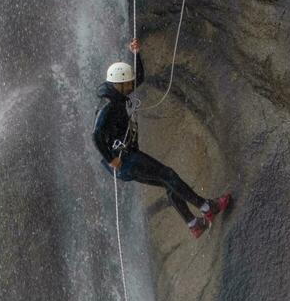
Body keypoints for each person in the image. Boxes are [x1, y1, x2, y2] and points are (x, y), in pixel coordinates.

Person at [93, 38, 231, 238]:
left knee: (168, 182)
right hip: (124, 160)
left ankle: (194, 224)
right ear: (120, 84)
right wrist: (111, 159)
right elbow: (95, 135)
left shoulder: (118, 92)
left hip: (127, 158)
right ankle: (207, 207)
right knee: (169, 175)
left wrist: (136, 54)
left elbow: (139, 77)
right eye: (128, 83)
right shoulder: (107, 105)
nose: (132, 85)